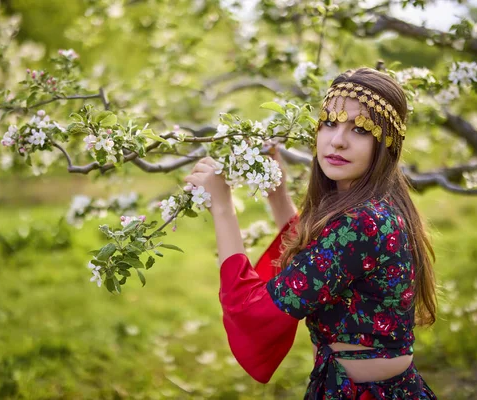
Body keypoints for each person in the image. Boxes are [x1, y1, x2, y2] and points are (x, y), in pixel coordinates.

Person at [183, 67, 437, 399]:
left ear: (386, 143)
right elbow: (321, 260)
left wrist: (222, 207)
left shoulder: (363, 223)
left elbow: (253, 314)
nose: (338, 140)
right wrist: (277, 194)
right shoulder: (373, 207)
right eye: (330, 123)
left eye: (360, 129)